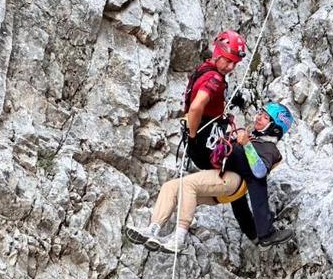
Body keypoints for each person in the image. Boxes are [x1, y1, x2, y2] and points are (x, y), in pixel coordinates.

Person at [126, 102, 296, 253]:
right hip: (222, 181)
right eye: (260, 113)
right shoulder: (250, 138)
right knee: (171, 186)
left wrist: (246, 145)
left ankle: (178, 238)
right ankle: (153, 228)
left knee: (188, 185)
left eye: (266, 117)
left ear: (275, 128)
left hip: (233, 180)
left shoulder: (270, 149)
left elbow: (259, 171)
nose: (259, 117)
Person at [184, 30, 247, 170]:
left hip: (200, 136)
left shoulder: (205, 68)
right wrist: (192, 138)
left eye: (235, 64)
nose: (231, 67)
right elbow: (196, 106)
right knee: (243, 160)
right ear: (217, 53)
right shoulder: (215, 79)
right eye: (228, 60)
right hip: (205, 142)